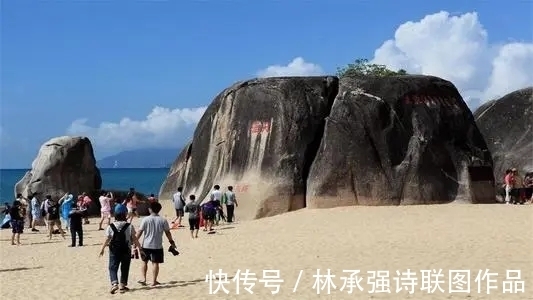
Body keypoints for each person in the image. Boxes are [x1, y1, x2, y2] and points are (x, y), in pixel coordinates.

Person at [99, 204, 143, 294]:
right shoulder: (129, 226)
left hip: (114, 250)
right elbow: (134, 239)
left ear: (115, 214)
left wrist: (102, 249)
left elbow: (107, 239)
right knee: (125, 267)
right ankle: (122, 285)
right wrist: (140, 248)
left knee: (112, 267)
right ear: (124, 214)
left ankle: (114, 283)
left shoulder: (110, 226)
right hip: (126, 249)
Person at [136, 202, 177, 287]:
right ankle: (154, 281)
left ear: (150, 209)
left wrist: (135, 242)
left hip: (146, 245)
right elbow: (167, 232)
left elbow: (140, 232)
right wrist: (171, 242)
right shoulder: (163, 220)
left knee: (144, 262)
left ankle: (143, 279)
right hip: (157, 245)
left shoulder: (145, 219)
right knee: (155, 263)